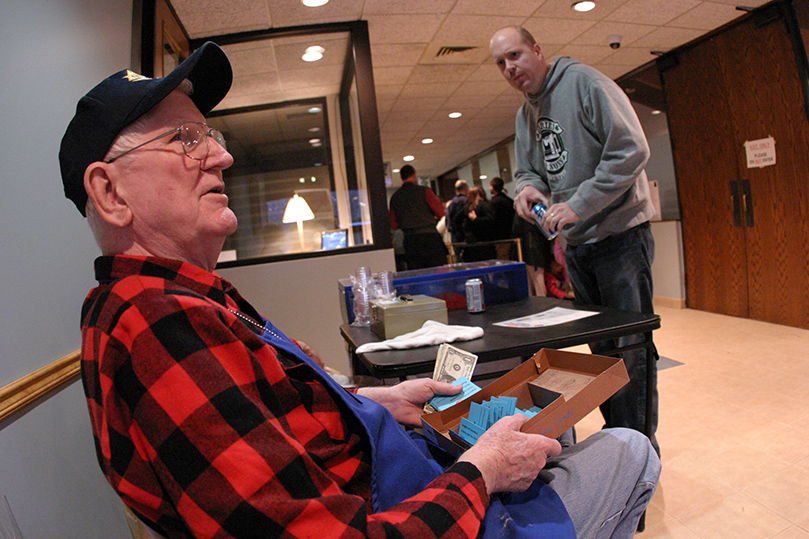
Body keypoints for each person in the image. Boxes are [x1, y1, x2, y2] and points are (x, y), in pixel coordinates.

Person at [60, 42, 659, 539]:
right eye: (185, 140)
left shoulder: (185, 300)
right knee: (630, 448)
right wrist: (483, 473)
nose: (222, 154)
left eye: (209, 134)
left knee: (556, 428)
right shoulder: (161, 326)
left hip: (394, 477)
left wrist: (379, 402)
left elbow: (278, 416)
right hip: (410, 513)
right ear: (111, 193)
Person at [490, 26, 660, 452]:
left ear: (538, 50)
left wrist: (580, 203)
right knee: (602, 355)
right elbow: (529, 171)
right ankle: (618, 445)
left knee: (631, 350)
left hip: (621, 237)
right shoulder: (525, 113)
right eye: (500, 63)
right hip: (579, 245)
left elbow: (632, 150)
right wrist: (526, 190)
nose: (510, 68)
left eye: (515, 55)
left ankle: (640, 453)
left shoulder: (585, 83)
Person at [389, 164, 448, 269]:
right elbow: (441, 211)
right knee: (437, 271)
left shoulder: (395, 197)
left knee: (417, 273)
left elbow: (393, 224)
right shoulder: (425, 191)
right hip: (430, 237)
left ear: (401, 177)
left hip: (410, 240)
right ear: (414, 175)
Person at [460, 186, 497, 262]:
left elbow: (456, 221)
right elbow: (491, 220)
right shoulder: (486, 205)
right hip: (486, 242)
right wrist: (476, 220)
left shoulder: (467, 208)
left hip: (471, 243)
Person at [487, 177, 516, 259]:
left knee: (502, 259)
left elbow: (493, 221)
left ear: (492, 187)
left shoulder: (493, 202)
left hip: (500, 238)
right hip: (511, 235)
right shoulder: (509, 201)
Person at [446, 179, 469, 245]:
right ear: (466, 188)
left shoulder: (451, 202)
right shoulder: (466, 201)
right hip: (465, 234)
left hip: (454, 235)